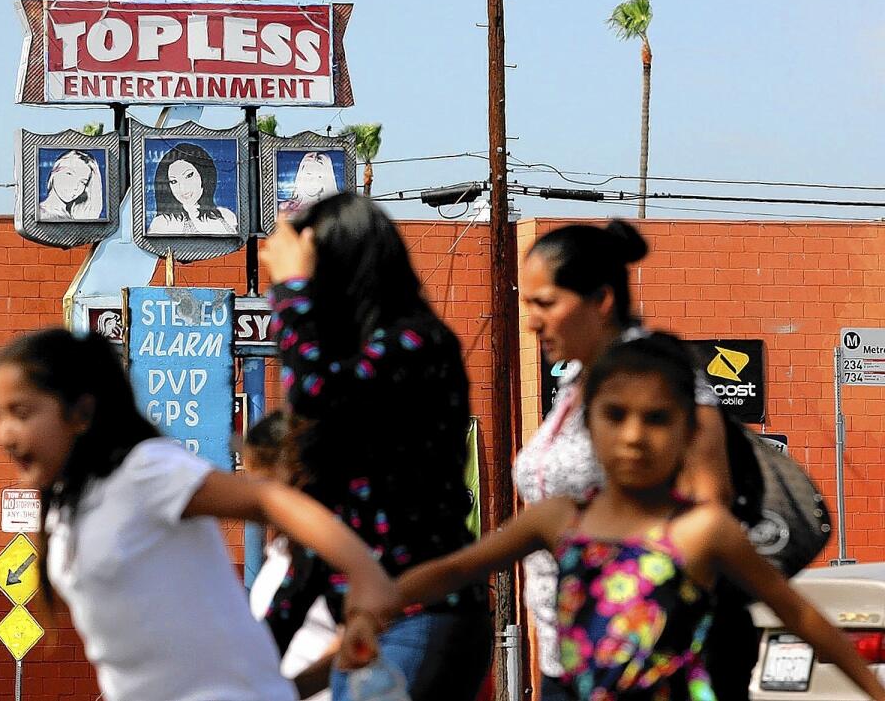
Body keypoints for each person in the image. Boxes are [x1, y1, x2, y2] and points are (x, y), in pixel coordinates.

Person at [398, 332, 885, 701]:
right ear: (589, 423)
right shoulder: (558, 520)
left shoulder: (700, 530)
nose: (634, 436)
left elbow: (797, 613)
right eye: (615, 415)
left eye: (656, 418)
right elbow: (457, 567)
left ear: (687, 430)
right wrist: (377, 602)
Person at [0, 328, 398, 701]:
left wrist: (366, 573)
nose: (3, 435)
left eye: (22, 413)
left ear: (81, 412)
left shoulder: (144, 470)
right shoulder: (66, 508)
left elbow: (267, 499)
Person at [261, 193, 492, 701]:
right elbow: (326, 531)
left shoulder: (417, 345)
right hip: (369, 627)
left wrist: (291, 288)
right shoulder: (350, 363)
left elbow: (319, 395)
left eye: (313, 270)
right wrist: (260, 654)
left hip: (424, 616)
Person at [514, 221, 740, 701]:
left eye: (545, 303)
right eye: (527, 304)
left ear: (600, 301)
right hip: (566, 657)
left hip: (642, 662)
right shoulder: (575, 382)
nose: (532, 321)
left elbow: (709, 503)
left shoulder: (659, 376)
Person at [242, 411, 338, 701]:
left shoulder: (337, 551)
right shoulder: (283, 553)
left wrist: (287, 691)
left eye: (263, 482)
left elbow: (366, 641)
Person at [147, 142, 239, 236]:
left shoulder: (227, 215)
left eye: (189, 176)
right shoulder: (163, 223)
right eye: (174, 181)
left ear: (203, 174)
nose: (183, 188)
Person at [39, 150, 104, 221]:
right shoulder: (37, 213)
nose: (76, 187)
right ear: (55, 171)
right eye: (70, 174)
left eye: (83, 182)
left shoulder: (75, 217)